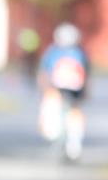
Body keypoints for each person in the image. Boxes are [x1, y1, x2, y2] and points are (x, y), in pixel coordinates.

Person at [38, 23, 90, 161]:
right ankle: (69, 143)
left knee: (70, 114)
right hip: (65, 89)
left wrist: (44, 88)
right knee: (69, 114)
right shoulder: (76, 52)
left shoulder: (55, 51)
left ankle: (72, 143)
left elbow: (45, 71)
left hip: (67, 89)